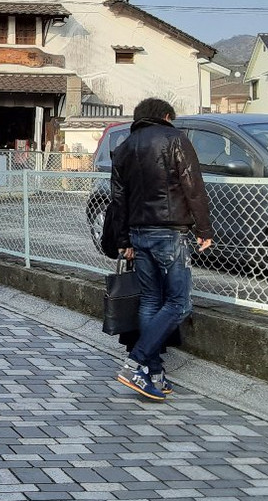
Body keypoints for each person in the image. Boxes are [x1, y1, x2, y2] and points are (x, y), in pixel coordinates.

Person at [108, 97, 213, 402]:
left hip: (138, 235)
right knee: (179, 303)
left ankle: (154, 374)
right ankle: (135, 363)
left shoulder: (126, 147)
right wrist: (204, 229)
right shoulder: (175, 139)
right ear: (166, 116)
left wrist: (123, 240)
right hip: (169, 234)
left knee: (151, 301)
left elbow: (118, 199)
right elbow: (193, 185)